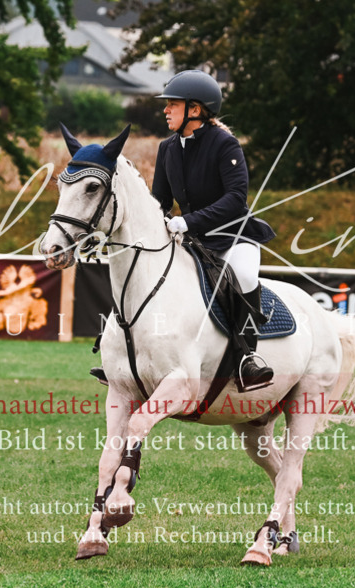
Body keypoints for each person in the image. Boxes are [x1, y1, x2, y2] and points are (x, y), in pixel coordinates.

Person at [151, 70, 277, 392]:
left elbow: (236, 199)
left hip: (233, 237)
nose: (165, 110)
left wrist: (188, 221)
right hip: (193, 241)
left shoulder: (225, 144)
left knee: (245, 276)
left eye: (172, 104)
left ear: (195, 110)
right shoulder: (167, 149)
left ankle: (248, 358)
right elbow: (161, 201)